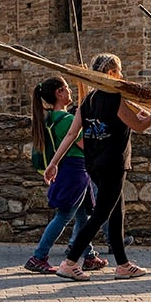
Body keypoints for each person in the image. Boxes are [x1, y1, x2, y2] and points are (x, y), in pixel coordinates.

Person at [44, 53, 151, 281]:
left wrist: (53, 162)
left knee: (116, 212)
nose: (122, 75)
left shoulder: (89, 100)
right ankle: (70, 261)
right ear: (111, 73)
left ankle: (123, 265)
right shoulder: (115, 98)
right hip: (113, 162)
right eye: (119, 71)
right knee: (102, 213)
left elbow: (72, 134)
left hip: (93, 163)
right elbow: (140, 125)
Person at [23, 77, 107, 274]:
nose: (70, 91)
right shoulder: (67, 120)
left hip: (70, 169)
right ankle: (38, 256)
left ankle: (89, 255)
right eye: (67, 88)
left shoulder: (51, 118)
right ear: (59, 93)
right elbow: (85, 145)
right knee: (63, 216)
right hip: (75, 169)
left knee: (83, 216)